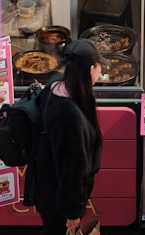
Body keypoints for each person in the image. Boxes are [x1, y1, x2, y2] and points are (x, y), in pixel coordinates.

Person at [34, 38, 107, 235]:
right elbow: (72, 169)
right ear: (91, 69)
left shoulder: (56, 86)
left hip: (51, 191)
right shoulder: (69, 114)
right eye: (99, 66)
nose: (100, 70)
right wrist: (72, 213)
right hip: (58, 200)